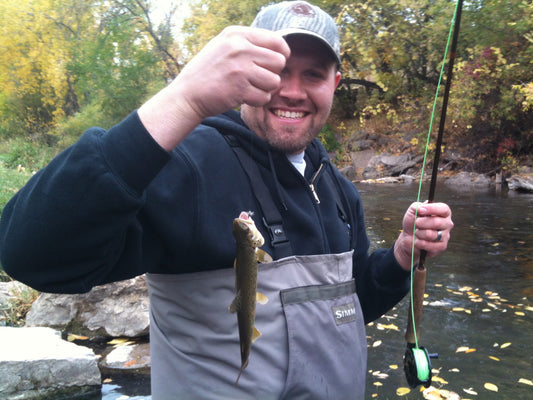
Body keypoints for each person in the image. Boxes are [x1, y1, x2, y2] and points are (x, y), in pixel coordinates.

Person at [0, 1, 453, 399]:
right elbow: (31, 254)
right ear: (245, 73)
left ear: (335, 83)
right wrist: (185, 97)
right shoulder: (188, 165)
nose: (292, 91)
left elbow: (351, 308)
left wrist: (398, 258)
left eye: (312, 74)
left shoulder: (334, 185)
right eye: (277, 70)